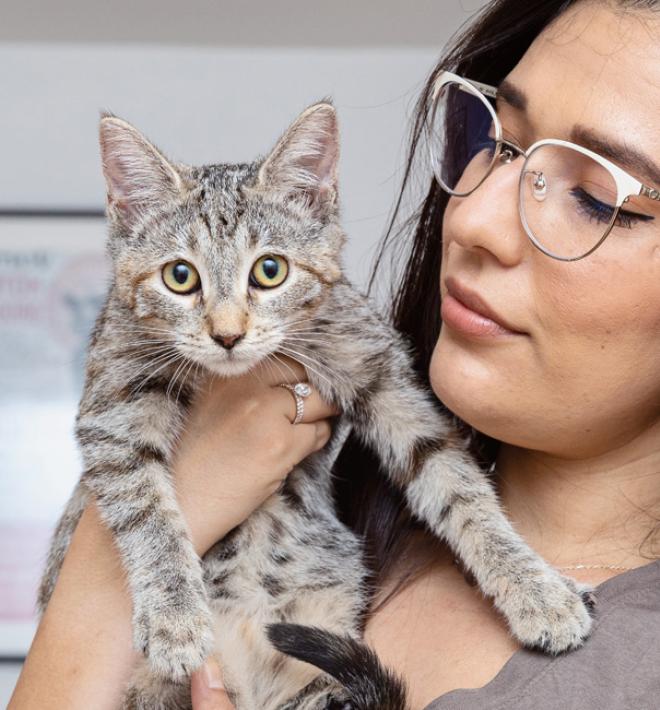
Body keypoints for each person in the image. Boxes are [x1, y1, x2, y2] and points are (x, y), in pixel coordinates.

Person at [9, 0, 660, 707]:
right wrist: (182, 502)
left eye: (597, 198)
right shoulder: (369, 500)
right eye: (496, 142)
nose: (468, 217)